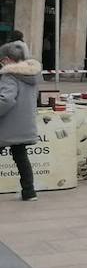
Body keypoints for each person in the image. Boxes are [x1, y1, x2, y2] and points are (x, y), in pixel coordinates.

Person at [0, 40, 41, 200]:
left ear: (8, 59)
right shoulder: (31, 74)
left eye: (2, 59)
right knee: (21, 157)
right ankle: (29, 192)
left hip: (8, 124)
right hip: (24, 124)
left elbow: (6, 100)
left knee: (20, 157)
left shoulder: (10, 76)